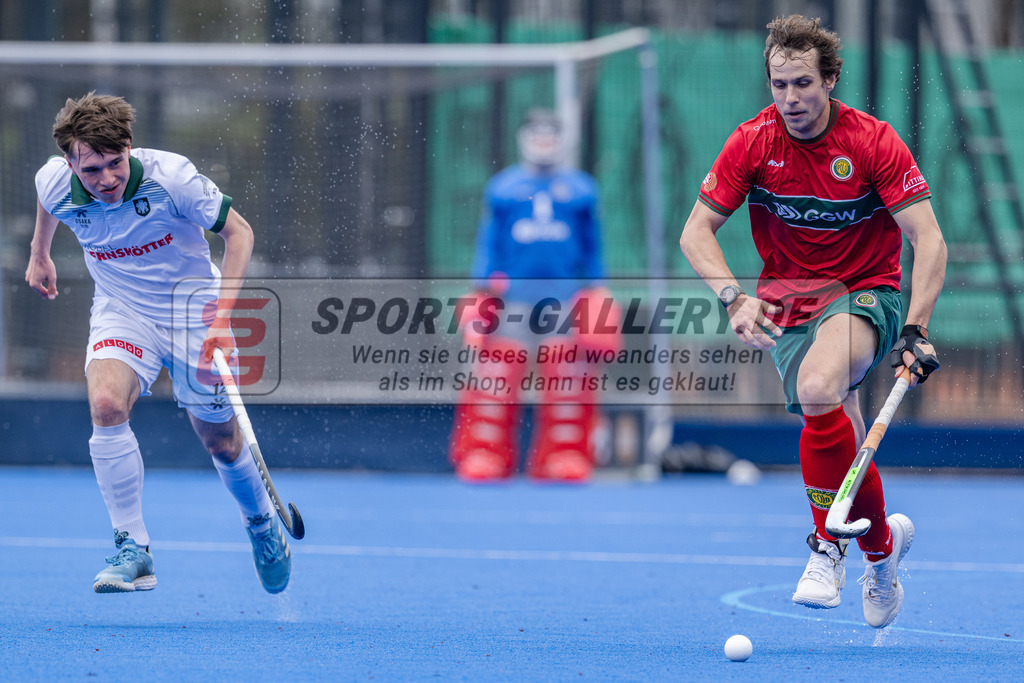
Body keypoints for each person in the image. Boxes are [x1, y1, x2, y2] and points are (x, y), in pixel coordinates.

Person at [679, 15, 946, 628]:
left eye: (803, 83)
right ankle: (882, 553)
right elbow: (696, 232)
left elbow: (928, 239)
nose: (791, 98)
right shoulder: (753, 142)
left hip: (865, 294)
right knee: (839, 429)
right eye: (779, 85)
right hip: (789, 308)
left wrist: (917, 328)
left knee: (819, 387)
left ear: (829, 80)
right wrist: (733, 297)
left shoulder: (872, 142)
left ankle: (827, 547)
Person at [24, 92, 291, 594]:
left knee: (220, 441)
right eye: (91, 170)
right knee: (106, 405)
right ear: (71, 164)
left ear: (129, 145)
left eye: (115, 163)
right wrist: (40, 253)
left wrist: (223, 319)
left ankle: (260, 523)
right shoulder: (55, 180)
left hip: (195, 312)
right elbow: (47, 200)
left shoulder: (173, 178)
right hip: (123, 310)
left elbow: (239, 233)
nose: (106, 179)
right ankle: (134, 547)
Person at [448, 108, 617, 483]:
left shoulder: (582, 190)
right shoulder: (503, 188)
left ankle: (564, 455)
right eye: (537, 134)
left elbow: (593, 247)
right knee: (494, 381)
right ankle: (485, 452)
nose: (544, 142)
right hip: (513, 300)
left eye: (550, 134)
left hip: (563, 300)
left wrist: (597, 289)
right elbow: (489, 243)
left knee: (567, 383)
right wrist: (480, 289)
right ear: (523, 138)